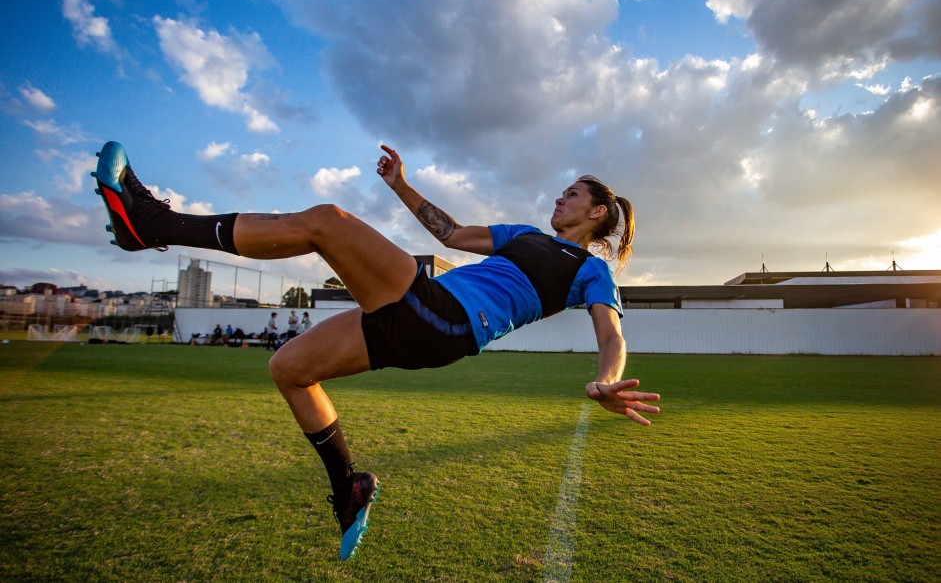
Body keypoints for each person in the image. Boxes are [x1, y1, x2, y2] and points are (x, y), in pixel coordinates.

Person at [92, 140, 661, 561]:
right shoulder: (523, 235)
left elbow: (611, 333)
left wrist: (608, 379)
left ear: (596, 215)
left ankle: (150, 222)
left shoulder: (591, 271)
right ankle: (349, 488)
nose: (560, 198)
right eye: (563, 191)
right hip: (423, 320)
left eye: (573, 195)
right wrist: (400, 186)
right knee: (289, 368)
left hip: (443, 319)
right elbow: (451, 234)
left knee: (327, 222)